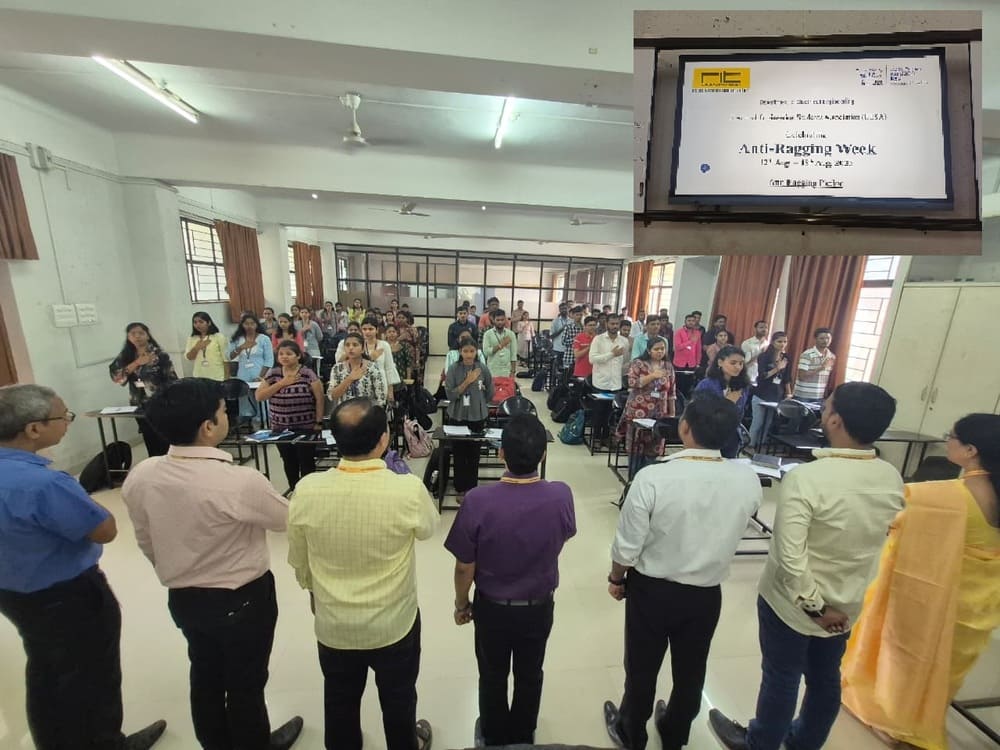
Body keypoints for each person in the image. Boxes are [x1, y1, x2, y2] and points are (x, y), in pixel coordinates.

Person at [709, 382, 905, 750]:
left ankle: (761, 742)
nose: (823, 412)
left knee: (781, 677)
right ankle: (804, 742)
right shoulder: (891, 477)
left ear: (836, 420)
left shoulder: (807, 478)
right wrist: (830, 608)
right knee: (825, 678)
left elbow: (789, 555)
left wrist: (815, 607)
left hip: (793, 605)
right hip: (845, 602)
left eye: (827, 407)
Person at [122, 379, 302, 750]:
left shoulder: (142, 474)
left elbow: (146, 539)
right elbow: (288, 521)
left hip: (184, 597)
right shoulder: (239, 481)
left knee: (204, 674)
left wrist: (179, 566)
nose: (227, 416)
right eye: (223, 411)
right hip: (241, 599)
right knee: (246, 683)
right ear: (208, 426)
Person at [0, 384, 167, 750]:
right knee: (92, 672)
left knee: (46, 670)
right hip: (66, 595)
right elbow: (104, 529)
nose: (68, 422)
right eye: (63, 417)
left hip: (12, 592)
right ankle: (105, 742)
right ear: (33, 428)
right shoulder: (44, 484)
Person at [604, 394, 762, 750]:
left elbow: (627, 546)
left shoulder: (653, 477)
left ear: (684, 427)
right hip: (706, 592)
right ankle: (675, 732)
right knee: (692, 669)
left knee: (641, 667)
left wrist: (616, 578)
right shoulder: (747, 478)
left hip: (652, 590)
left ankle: (632, 731)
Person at [840, 413, 1000, 750]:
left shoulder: (942, 498)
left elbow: (891, 519)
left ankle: (897, 723)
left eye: (951, 436)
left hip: (937, 599)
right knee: (947, 667)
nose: (947, 440)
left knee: (910, 658)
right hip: (980, 605)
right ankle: (927, 714)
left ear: (971, 450)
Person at [287, 399, 437, 750]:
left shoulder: (307, 489)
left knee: (339, 701)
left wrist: (314, 593)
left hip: (334, 624)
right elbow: (428, 530)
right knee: (399, 699)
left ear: (334, 438)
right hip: (393, 623)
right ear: (384, 439)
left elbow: (299, 559)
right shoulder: (406, 489)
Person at [445, 412, 576, 746]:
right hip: (538, 605)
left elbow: (464, 566)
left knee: (492, 673)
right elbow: (562, 536)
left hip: (492, 607)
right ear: (543, 455)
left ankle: (493, 735)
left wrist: (462, 603)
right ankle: (523, 734)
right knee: (531, 673)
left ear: (501, 452)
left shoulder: (477, 501)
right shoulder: (561, 495)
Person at [255, 341, 325, 491]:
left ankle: (308, 492)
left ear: (298, 356)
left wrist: (318, 422)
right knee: (288, 461)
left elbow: (319, 399)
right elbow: (259, 396)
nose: (284, 357)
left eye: (289, 354)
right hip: (280, 427)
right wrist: (282, 383)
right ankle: (294, 490)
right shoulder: (273, 373)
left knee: (306, 461)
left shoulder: (307, 373)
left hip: (306, 426)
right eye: (281, 354)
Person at [109, 321, 178, 458]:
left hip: (161, 402)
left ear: (147, 335)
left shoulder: (159, 354)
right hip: (139, 403)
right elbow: (117, 377)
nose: (137, 336)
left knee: (164, 437)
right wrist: (136, 363)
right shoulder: (125, 355)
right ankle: (153, 464)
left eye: (141, 333)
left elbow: (172, 379)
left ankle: (168, 463)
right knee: (149, 436)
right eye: (133, 334)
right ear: (128, 337)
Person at [617, 337, 676, 475]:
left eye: (662, 349)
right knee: (636, 444)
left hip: (659, 410)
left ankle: (648, 475)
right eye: (656, 349)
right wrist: (652, 376)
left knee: (655, 444)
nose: (660, 351)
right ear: (649, 350)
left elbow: (672, 392)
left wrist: (671, 413)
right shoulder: (638, 363)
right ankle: (634, 476)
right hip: (638, 409)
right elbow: (632, 382)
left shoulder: (668, 366)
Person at [445, 339, 495, 502]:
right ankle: (460, 488)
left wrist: (480, 401)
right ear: (460, 352)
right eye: (465, 351)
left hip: (477, 416)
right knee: (459, 453)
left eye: (472, 351)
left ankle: (472, 489)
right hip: (457, 415)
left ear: (476, 352)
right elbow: (450, 394)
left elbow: (490, 391)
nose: (468, 355)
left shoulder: (482, 368)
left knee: (474, 454)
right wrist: (467, 382)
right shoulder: (453, 369)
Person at [693, 345, 750, 458]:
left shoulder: (743, 386)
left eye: (741, 363)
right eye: (733, 363)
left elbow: (740, 414)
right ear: (720, 362)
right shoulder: (707, 384)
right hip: (709, 435)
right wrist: (728, 403)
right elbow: (700, 414)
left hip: (731, 435)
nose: (738, 367)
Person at [747, 332, 793, 451]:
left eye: (785, 342)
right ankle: (750, 445)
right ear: (773, 342)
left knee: (767, 423)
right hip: (761, 394)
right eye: (779, 341)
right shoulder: (764, 356)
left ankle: (760, 445)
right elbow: (762, 376)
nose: (782, 344)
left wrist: (789, 393)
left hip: (776, 395)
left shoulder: (786, 358)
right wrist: (777, 368)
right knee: (758, 422)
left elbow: (787, 378)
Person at [336, 317, 399, 402]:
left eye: (370, 329)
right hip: (361, 384)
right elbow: (339, 362)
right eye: (364, 329)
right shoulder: (356, 345)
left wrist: (390, 391)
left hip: (380, 383)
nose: (367, 332)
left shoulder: (384, 345)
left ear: (377, 330)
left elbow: (389, 368)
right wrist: (369, 357)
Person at [589, 314, 628, 447]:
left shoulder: (624, 341)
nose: (615, 326)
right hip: (601, 382)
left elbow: (624, 360)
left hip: (615, 383)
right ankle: (596, 438)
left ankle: (606, 437)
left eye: (617, 324)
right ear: (606, 324)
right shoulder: (598, 339)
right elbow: (592, 359)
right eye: (612, 324)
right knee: (599, 412)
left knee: (611, 413)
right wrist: (612, 354)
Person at [229, 313, 275, 424]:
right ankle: (248, 423)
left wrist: (261, 376)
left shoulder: (264, 339)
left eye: (252, 323)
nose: (249, 326)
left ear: (256, 325)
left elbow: (269, 360)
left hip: (260, 373)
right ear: (242, 325)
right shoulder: (237, 339)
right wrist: (241, 347)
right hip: (243, 374)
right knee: (245, 400)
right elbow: (230, 356)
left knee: (261, 399)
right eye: (246, 324)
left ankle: (263, 422)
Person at [329, 332, 388, 408]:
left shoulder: (372, 367)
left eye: (355, 345)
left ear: (363, 349)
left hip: (367, 412)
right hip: (344, 412)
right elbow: (332, 396)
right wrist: (349, 379)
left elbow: (381, 396)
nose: (351, 348)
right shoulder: (337, 368)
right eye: (347, 345)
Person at [793, 327, 836, 403]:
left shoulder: (831, 356)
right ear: (815, 339)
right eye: (822, 338)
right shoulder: (807, 354)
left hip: (819, 395)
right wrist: (821, 368)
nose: (825, 341)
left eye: (828, 338)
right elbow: (801, 376)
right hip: (803, 395)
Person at [186, 311, 229, 381]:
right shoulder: (192, 338)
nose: (197, 325)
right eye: (195, 322)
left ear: (209, 323)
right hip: (199, 376)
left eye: (201, 322)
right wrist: (196, 348)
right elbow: (189, 357)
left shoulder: (218, 337)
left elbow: (226, 359)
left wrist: (227, 378)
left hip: (217, 377)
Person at [483, 309, 516, 379]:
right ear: (493, 320)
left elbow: (513, 354)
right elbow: (486, 352)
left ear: (505, 320)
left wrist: (513, 371)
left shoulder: (511, 334)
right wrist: (501, 345)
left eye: (502, 320)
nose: (500, 322)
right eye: (498, 320)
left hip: (507, 371)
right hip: (492, 370)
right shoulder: (488, 334)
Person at [741, 320, 770, 387]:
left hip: (762, 378)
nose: (764, 329)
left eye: (766, 327)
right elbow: (745, 365)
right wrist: (761, 354)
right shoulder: (747, 343)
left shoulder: (768, 344)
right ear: (755, 329)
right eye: (761, 327)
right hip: (748, 377)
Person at [550, 302, 570, 368]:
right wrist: (561, 329)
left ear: (568, 309)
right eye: (562, 309)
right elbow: (551, 336)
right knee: (557, 368)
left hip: (568, 349)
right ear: (559, 310)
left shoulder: (571, 321)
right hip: (558, 348)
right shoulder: (555, 321)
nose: (564, 310)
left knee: (567, 369)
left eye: (565, 308)